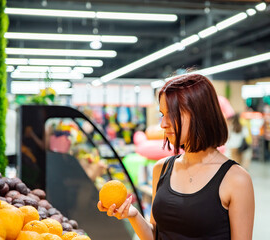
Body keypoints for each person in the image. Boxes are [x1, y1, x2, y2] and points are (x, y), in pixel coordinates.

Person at [98, 73, 255, 240]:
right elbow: (156, 236)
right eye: (162, 114)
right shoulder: (162, 169)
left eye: (173, 114)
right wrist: (134, 215)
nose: (163, 124)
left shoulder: (236, 179)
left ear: (201, 114)